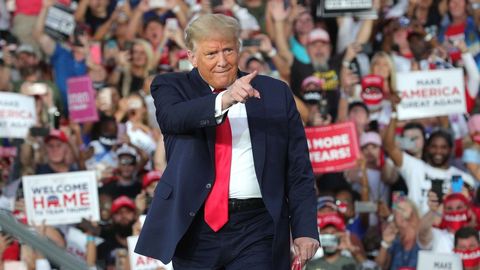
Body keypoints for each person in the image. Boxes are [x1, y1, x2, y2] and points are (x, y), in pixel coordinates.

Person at [135, 14, 319, 269]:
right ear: (191, 57)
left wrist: (305, 228)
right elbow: (172, 119)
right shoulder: (170, 86)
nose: (222, 61)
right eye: (211, 54)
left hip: (257, 227)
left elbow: (298, 167)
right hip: (194, 228)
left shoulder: (275, 93)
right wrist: (225, 99)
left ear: (239, 49)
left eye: (228, 50)